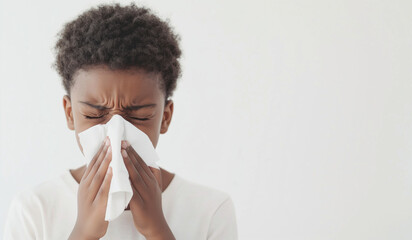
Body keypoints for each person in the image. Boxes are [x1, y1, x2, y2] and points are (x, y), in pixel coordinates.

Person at [3, 2, 238, 240]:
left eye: (139, 116)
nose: (116, 132)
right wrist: (83, 233)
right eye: (94, 115)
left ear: (165, 117)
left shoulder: (210, 210)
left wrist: (157, 230)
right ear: (70, 113)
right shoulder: (34, 211)